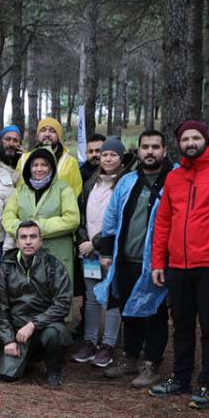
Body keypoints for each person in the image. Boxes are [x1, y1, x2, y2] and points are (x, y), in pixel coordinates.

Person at [149, 120, 209, 408]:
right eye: (185, 139)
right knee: (181, 324)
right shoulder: (174, 178)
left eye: (195, 138)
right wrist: (158, 262)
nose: (190, 143)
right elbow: (164, 221)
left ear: (205, 140)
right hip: (178, 265)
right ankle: (180, 377)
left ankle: (207, 383)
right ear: (178, 143)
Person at [96, 131, 172, 386]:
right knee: (130, 311)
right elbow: (112, 217)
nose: (150, 152)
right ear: (138, 151)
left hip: (155, 263)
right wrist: (106, 252)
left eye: (155, 147)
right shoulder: (128, 181)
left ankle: (151, 363)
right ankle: (130, 357)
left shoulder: (173, 180)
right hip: (125, 259)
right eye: (145, 147)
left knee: (155, 314)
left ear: (164, 150)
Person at [0, 220, 73, 386]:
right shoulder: (6, 267)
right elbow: (1, 307)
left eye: (33, 237)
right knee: (7, 375)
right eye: (23, 237)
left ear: (41, 240)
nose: (28, 241)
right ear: (17, 241)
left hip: (43, 328)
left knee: (56, 333)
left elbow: (63, 303)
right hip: (17, 331)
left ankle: (54, 369)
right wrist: (8, 340)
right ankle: (22, 359)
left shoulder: (54, 266)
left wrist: (33, 325)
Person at [73, 136, 127, 368]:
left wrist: (96, 243)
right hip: (90, 253)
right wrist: (84, 240)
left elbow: (119, 219)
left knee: (112, 298)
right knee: (92, 297)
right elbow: (82, 215)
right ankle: (90, 341)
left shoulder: (125, 183)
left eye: (112, 154)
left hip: (111, 250)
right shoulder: (91, 182)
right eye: (104, 154)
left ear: (121, 158)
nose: (107, 158)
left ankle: (108, 344)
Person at [3, 147, 80, 302]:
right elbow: (8, 217)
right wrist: (24, 232)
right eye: (35, 165)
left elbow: (72, 219)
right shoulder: (20, 191)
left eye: (44, 165)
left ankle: (57, 326)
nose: (39, 169)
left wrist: (37, 227)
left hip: (57, 251)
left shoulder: (63, 189)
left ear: (51, 167)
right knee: (29, 296)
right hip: (27, 251)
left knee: (57, 294)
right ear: (29, 168)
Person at [14, 117, 83, 196]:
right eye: (43, 130)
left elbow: (76, 191)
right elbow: (17, 191)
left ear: (58, 136)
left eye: (52, 131)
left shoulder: (71, 163)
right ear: (38, 135)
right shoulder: (23, 160)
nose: (47, 134)